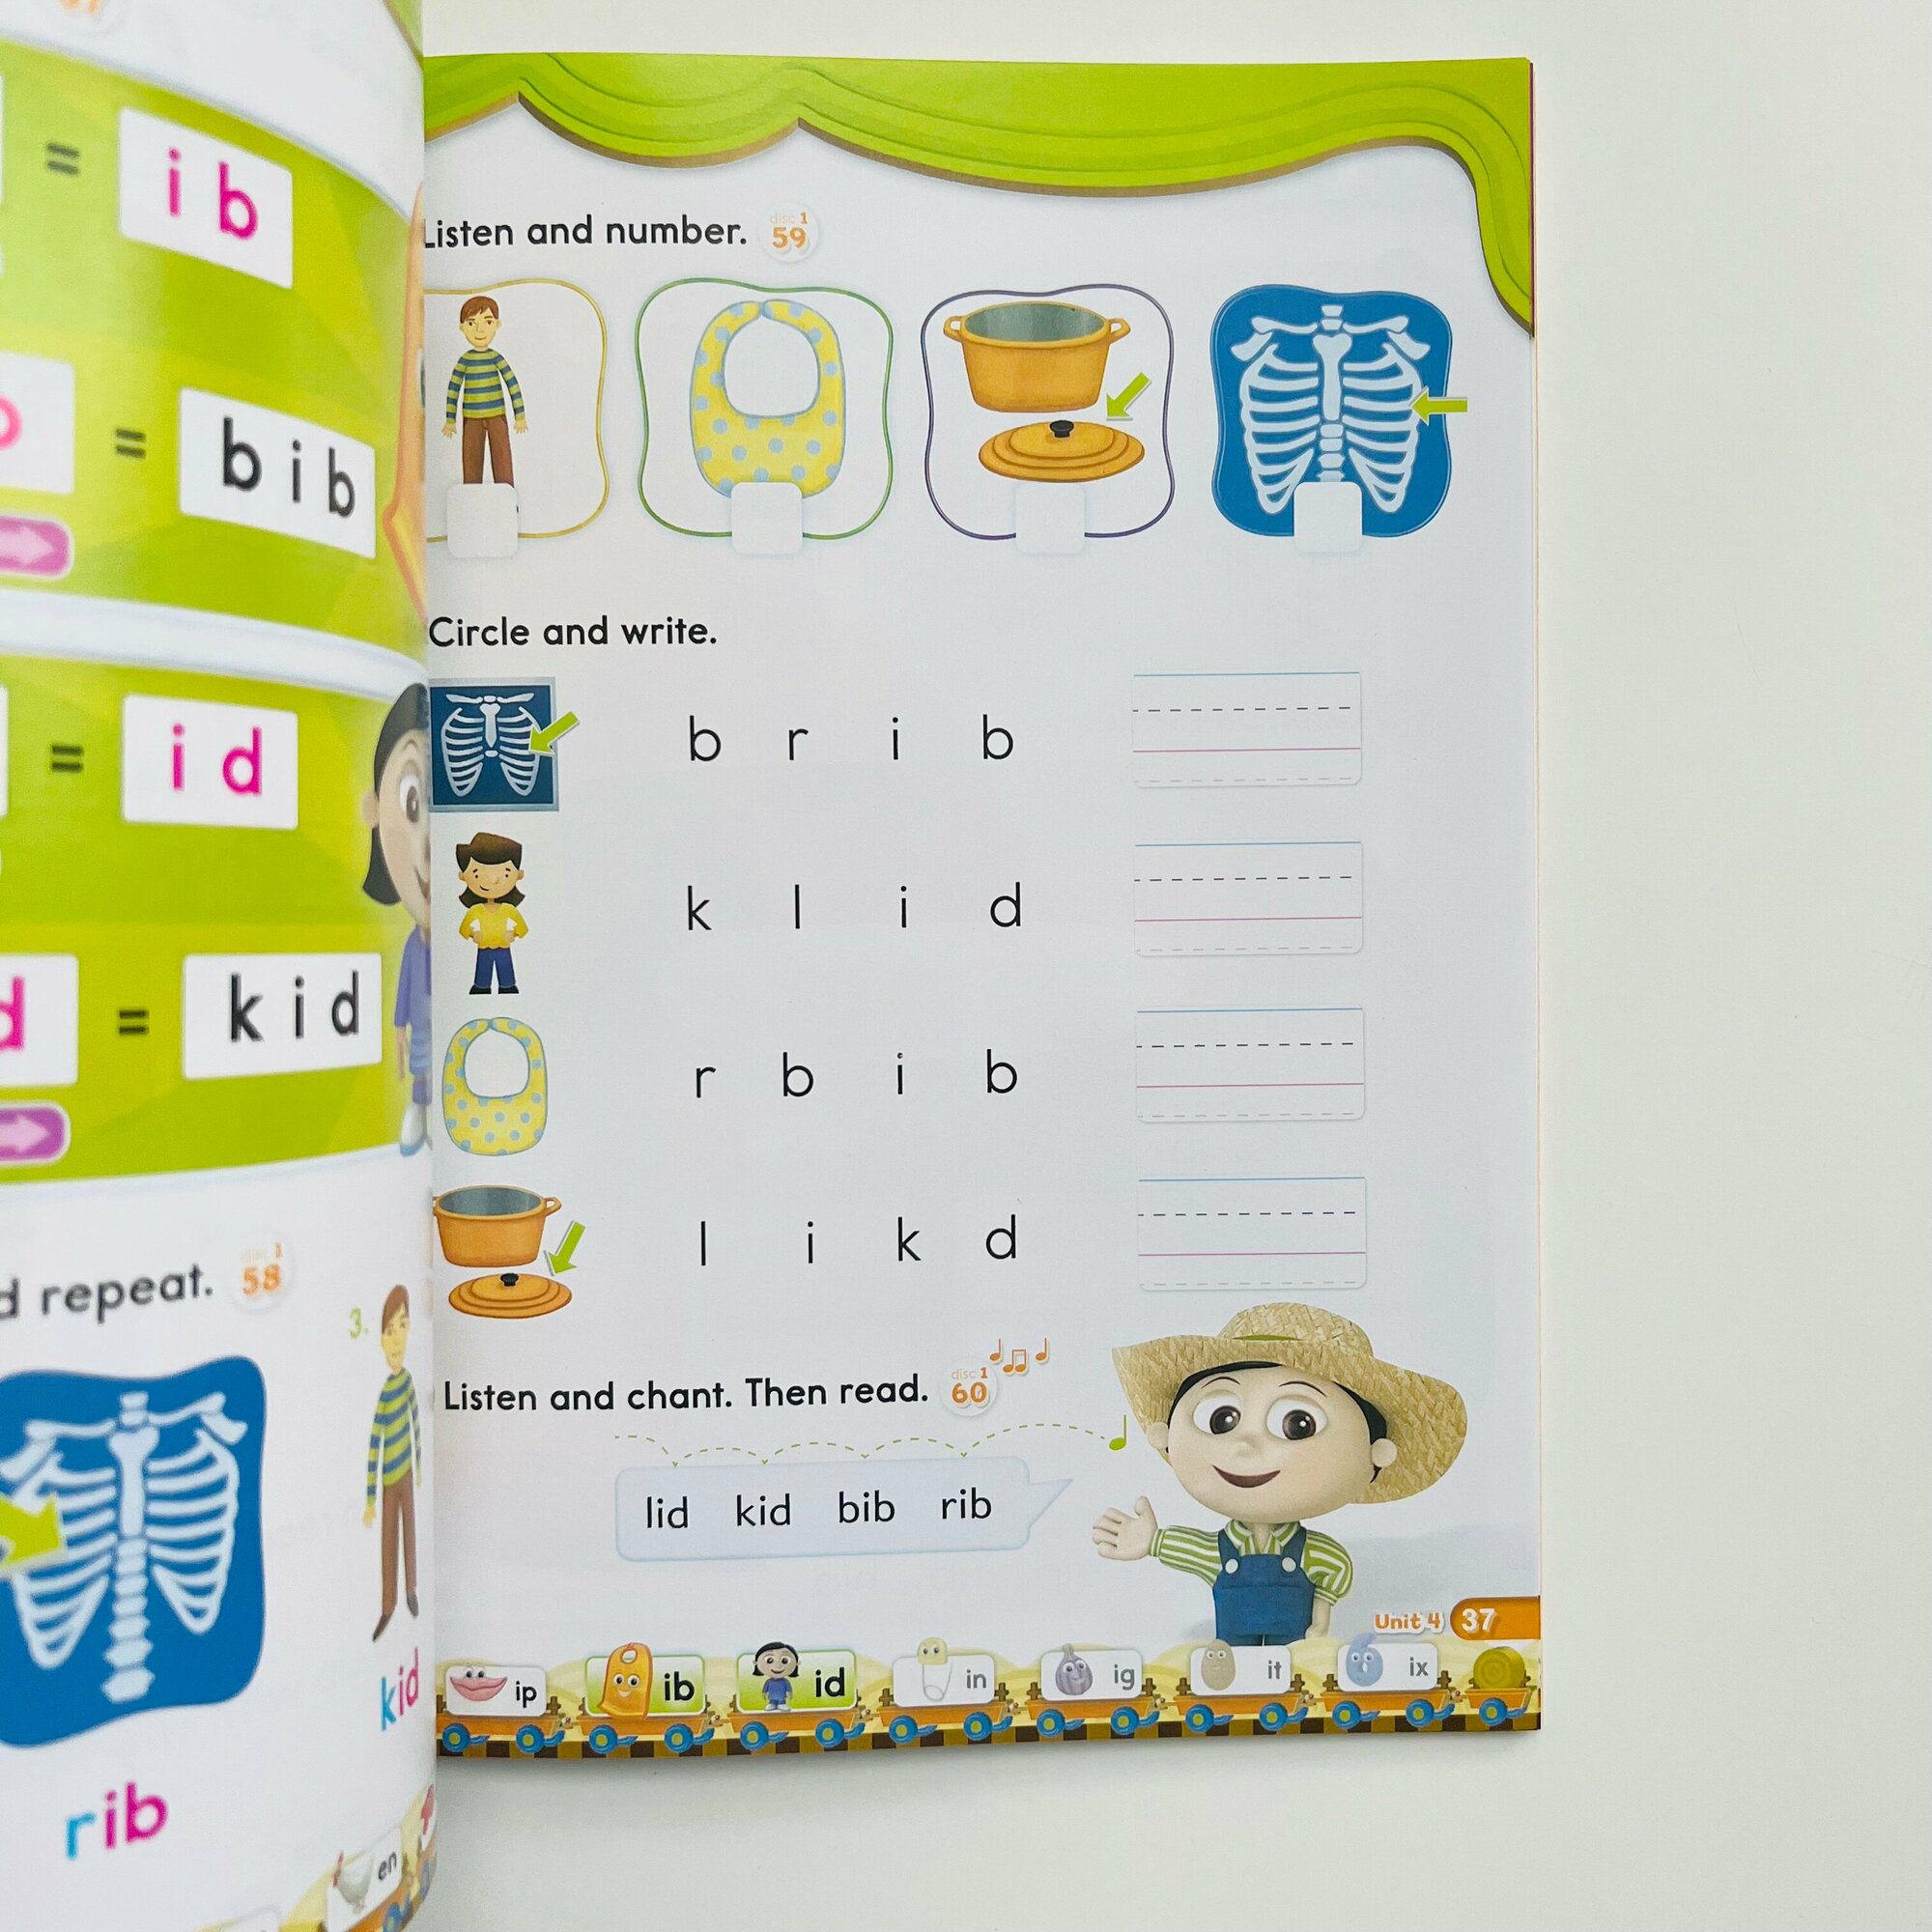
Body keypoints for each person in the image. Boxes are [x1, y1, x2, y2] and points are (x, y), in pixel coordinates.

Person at [1094, 1303, 1465, 1646]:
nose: (1246, 1444)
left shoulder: (1319, 1555)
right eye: (1222, 1419)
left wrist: (1320, 1622)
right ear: (1165, 1436)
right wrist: (1153, 1541)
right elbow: (1194, 1549)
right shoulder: (1217, 1552)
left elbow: (1332, 1578)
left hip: (1295, 1658)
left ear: (1376, 1452)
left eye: (1298, 1423)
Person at [360, 685, 432, 1152]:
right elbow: (405, 986)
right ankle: (419, 1110)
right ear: (373, 809)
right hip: (423, 1026)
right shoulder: (411, 946)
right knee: (422, 1068)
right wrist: (398, 1028)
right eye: (413, 802)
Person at [364, 1287, 422, 1641]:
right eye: (390, 1330)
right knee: (389, 1540)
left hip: (407, 1473)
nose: (397, 1338)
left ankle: (412, 1590)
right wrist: (370, 1498)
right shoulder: (386, 1392)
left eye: (402, 1325)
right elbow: (374, 1443)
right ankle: (388, 1606)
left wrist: (420, 1465)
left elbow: (416, 1421)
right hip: (388, 1477)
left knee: (410, 1531)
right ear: (382, 1340)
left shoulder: (408, 1383)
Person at [442, 295, 526, 486]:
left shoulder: (496, 358)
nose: (480, 330)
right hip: (471, 418)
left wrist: (519, 416)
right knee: (471, 458)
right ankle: (471, 493)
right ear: (462, 327)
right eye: (472, 323)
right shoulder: (465, 361)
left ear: (497, 324)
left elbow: (512, 384)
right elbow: (453, 389)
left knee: (502, 456)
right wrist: (450, 419)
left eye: (487, 322)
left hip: (497, 416)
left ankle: (507, 491)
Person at [455, 832, 527, 994]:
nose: (492, 880)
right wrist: (474, 934)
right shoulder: (476, 910)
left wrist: (513, 934)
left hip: (503, 946)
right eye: (477, 874)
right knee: (482, 977)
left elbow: (523, 927)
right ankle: (482, 987)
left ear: (519, 875)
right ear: (463, 876)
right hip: (484, 947)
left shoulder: (508, 909)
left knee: (506, 978)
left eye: (506, 873)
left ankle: (507, 987)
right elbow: (463, 929)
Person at [752, 1641, 801, 1711]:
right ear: (756, 1662)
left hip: (781, 1697)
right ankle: (772, 1703)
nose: (778, 1666)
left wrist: (790, 1694)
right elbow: (765, 1689)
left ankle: (781, 1704)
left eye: (785, 1660)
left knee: (781, 1701)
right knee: (772, 1702)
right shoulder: (769, 1682)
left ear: (797, 1663)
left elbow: (788, 1689)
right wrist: (764, 1693)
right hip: (772, 1697)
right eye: (770, 1660)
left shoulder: (785, 1682)